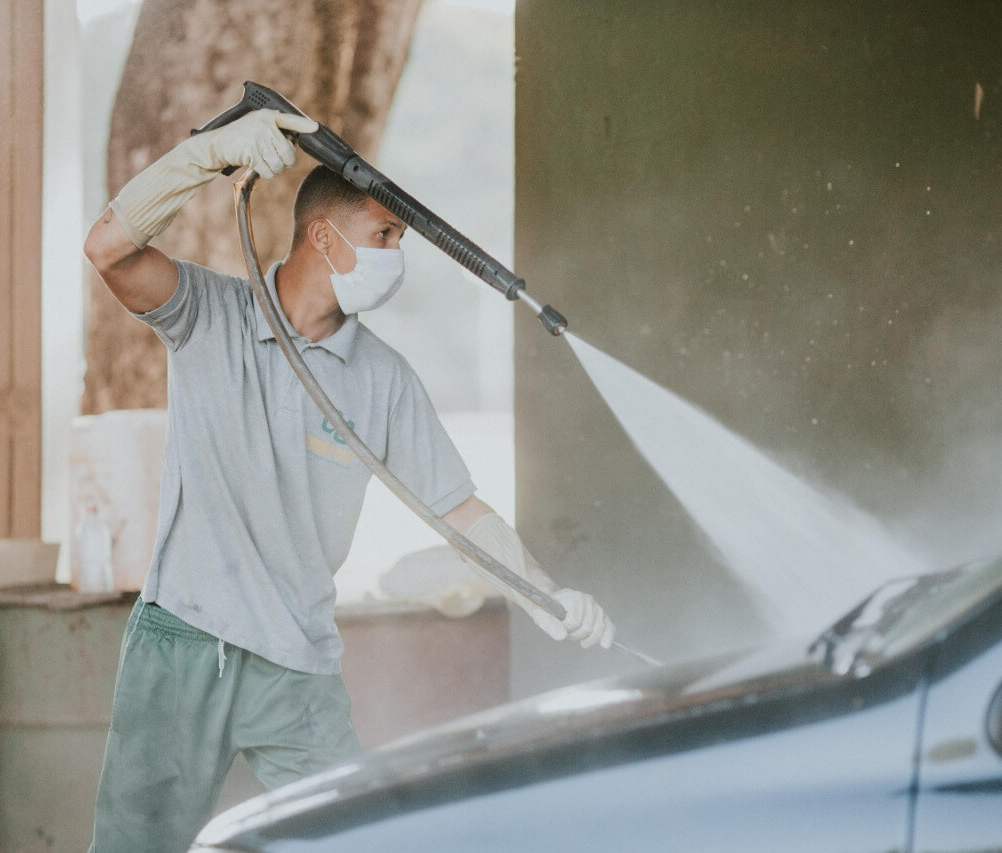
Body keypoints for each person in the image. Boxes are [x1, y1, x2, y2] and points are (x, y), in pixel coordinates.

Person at [83, 109, 615, 852]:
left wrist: (544, 591)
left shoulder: (385, 382)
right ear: (325, 239)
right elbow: (108, 248)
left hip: (297, 665)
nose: (398, 255)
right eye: (385, 238)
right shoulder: (212, 315)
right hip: (183, 642)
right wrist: (208, 153)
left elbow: (458, 508)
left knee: (358, 840)